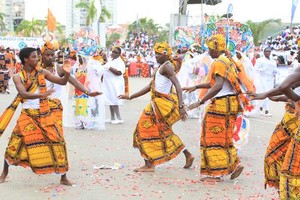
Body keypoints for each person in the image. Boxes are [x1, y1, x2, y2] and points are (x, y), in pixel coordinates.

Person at [0, 47, 73, 185]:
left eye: (37, 56)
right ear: (26, 59)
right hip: (27, 115)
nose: (37, 59)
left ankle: (63, 177)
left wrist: (67, 73)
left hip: (44, 114)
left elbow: (62, 82)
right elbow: (23, 94)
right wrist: (41, 95)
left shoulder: (42, 72)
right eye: (34, 57)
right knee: (14, 144)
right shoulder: (18, 77)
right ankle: (4, 173)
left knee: (58, 140)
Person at [118, 42, 194, 172]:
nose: (156, 56)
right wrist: (130, 96)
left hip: (161, 107)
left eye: (159, 54)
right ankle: (187, 155)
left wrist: (181, 106)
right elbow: (149, 86)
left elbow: (178, 86)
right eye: (155, 54)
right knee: (163, 132)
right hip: (156, 106)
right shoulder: (162, 67)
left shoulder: (167, 67)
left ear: (166, 54)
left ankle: (149, 164)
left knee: (141, 131)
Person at [183, 34, 247, 182]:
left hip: (220, 105)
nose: (209, 52)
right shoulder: (228, 61)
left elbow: (218, 85)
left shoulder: (219, 62)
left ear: (217, 50)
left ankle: (216, 173)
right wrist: (197, 86)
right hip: (230, 104)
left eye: (211, 49)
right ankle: (234, 164)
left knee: (212, 137)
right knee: (224, 136)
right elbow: (217, 83)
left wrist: (200, 102)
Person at [250, 49, 300, 199]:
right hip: (292, 116)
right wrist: (268, 95)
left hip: (294, 116)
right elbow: (284, 88)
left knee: (290, 168)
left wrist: (296, 101)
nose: (297, 53)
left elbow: (285, 86)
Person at [40, 41, 102, 129]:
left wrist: (88, 92)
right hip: (40, 104)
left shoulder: (59, 69)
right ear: (41, 56)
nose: (50, 57)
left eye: (52, 55)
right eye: (47, 55)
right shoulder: (37, 70)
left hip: (56, 104)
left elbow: (74, 82)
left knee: (55, 129)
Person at [103, 46, 126, 124]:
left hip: (115, 84)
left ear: (119, 54)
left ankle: (119, 118)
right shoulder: (111, 60)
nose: (113, 53)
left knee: (114, 100)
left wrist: (109, 67)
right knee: (110, 100)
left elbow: (119, 73)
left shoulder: (120, 62)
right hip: (109, 83)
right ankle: (112, 117)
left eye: (115, 52)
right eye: (112, 51)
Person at [254, 47, 277, 116]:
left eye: (269, 51)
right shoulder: (260, 60)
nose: (268, 53)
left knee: (269, 94)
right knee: (264, 94)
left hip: (270, 80)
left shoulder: (273, 61)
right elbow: (255, 69)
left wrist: (275, 75)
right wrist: (263, 70)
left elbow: (275, 70)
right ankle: (266, 110)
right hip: (262, 79)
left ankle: (262, 108)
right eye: (266, 51)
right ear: (264, 52)